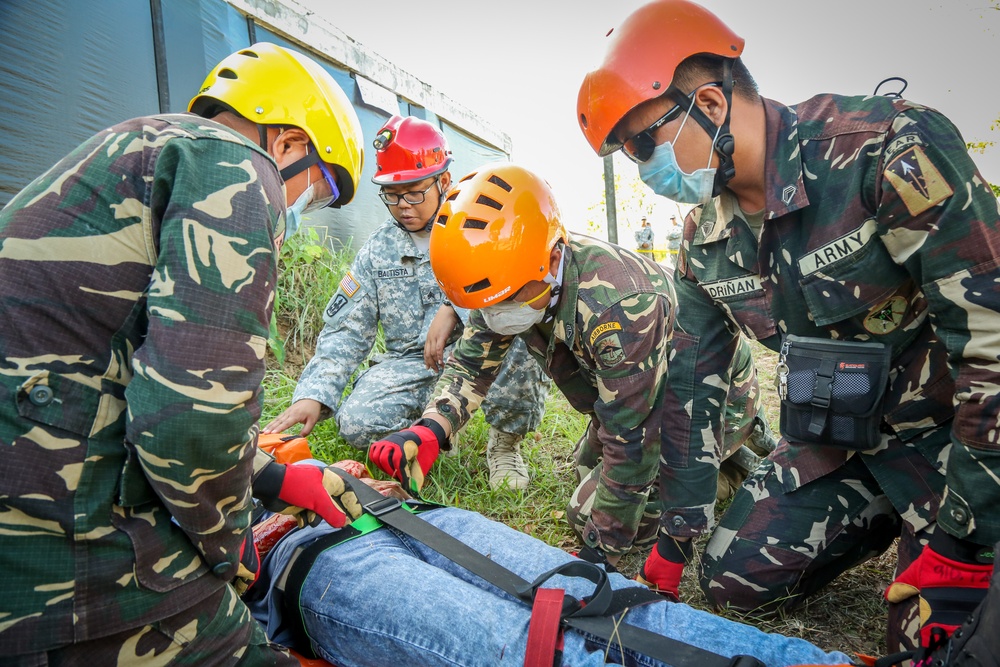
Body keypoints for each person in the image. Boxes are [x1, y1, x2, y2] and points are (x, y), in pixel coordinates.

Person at [576, 0, 999, 653]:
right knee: (728, 578)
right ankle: (879, 519)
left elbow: (990, 346)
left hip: (950, 439)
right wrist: (672, 540)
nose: (643, 170)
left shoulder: (884, 154)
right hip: (841, 439)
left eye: (641, 143)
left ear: (711, 105)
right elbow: (692, 393)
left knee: (935, 640)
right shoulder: (703, 243)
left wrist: (963, 538)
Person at [0, 42, 366, 664]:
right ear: (287, 143)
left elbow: (129, 382)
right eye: (323, 189)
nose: (308, 208)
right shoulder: (237, 167)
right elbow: (191, 420)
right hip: (50, 540)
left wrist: (276, 478)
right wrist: (228, 551)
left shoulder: (144, 148)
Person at [367, 162, 774, 567]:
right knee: (583, 469)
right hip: (637, 390)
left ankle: (727, 471)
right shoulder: (510, 273)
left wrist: (601, 554)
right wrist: (428, 431)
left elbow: (631, 439)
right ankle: (724, 456)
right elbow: (473, 366)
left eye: (507, 299)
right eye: (485, 304)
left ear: (553, 256)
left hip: (698, 403)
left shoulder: (620, 306)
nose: (495, 314)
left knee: (587, 514)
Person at [245, 459, 858, 667]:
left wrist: (270, 473)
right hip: (294, 556)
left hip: (390, 508)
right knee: (533, 650)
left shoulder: (189, 373)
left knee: (616, 604)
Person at [263, 115, 550, 490]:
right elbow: (346, 329)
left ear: (444, 181)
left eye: (415, 192)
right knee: (357, 423)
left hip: (480, 353)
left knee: (521, 338)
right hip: (413, 364)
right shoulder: (378, 250)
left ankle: (505, 443)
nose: (403, 206)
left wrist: (454, 305)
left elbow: (515, 300)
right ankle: (438, 426)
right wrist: (313, 396)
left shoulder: (482, 229)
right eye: (392, 194)